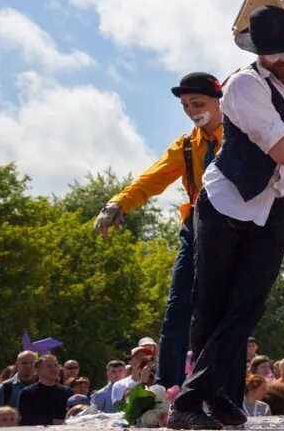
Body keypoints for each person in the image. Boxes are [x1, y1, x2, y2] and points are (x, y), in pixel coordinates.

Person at [167, 5, 284, 431]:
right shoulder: (244, 86)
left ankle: (206, 397)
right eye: (274, 54)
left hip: (273, 206)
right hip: (227, 204)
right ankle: (202, 399)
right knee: (212, 307)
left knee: (247, 306)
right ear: (259, 55)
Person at [93, 73, 228, 391]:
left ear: (219, 101)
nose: (192, 109)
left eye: (198, 102)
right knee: (177, 308)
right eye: (185, 105)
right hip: (195, 228)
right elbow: (151, 179)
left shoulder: (241, 137)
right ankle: (168, 389)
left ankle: (220, 388)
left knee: (223, 314)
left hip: (234, 231)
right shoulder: (184, 146)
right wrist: (117, 204)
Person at [17, 355, 69, 426]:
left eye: (56, 365)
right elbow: (26, 419)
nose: (54, 369)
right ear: (37, 370)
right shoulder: (28, 393)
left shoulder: (67, 392)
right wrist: (51, 422)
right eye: (49, 366)